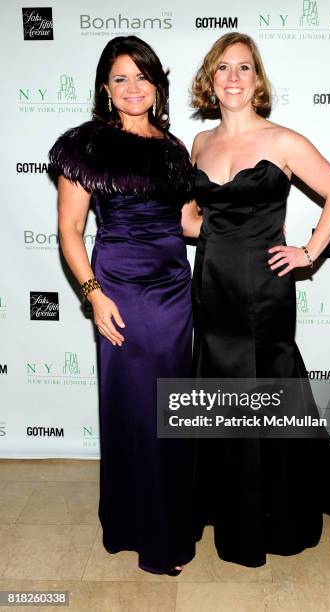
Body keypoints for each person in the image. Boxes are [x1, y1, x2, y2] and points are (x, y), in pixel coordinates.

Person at [187, 32, 330, 568]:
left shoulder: (284, 140)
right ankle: (227, 499)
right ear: (210, 80)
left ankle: (278, 504)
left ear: (258, 80)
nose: (234, 78)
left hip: (265, 290)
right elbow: (189, 218)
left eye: (244, 68)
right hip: (213, 285)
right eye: (223, 69)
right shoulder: (198, 146)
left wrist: (309, 252)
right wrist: (211, 232)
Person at [48, 35, 197, 576]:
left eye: (142, 77)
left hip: (175, 291)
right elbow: (69, 230)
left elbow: (185, 223)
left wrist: (242, 223)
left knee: (170, 409)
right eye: (120, 78)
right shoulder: (86, 146)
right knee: (134, 409)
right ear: (105, 90)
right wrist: (94, 295)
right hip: (121, 288)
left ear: (157, 85)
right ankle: (143, 531)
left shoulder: (174, 147)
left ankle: (172, 516)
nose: (132, 88)